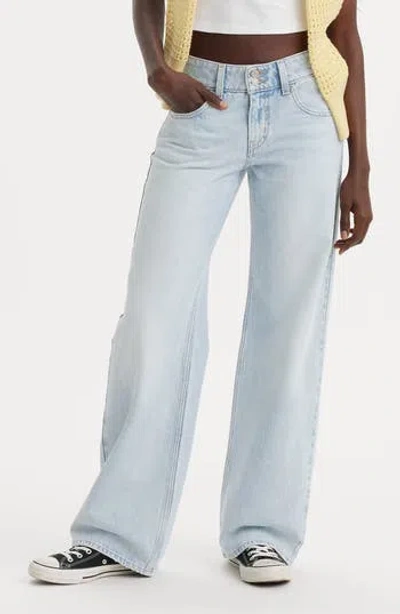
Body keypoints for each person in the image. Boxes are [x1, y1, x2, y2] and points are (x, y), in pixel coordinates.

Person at [28, 0, 372, 585]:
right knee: (154, 319)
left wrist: (359, 165)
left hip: (305, 109)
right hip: (200, 103)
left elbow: (345, 32)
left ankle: (262, 533)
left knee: (287, 330)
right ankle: (116, 534)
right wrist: (157, 70)